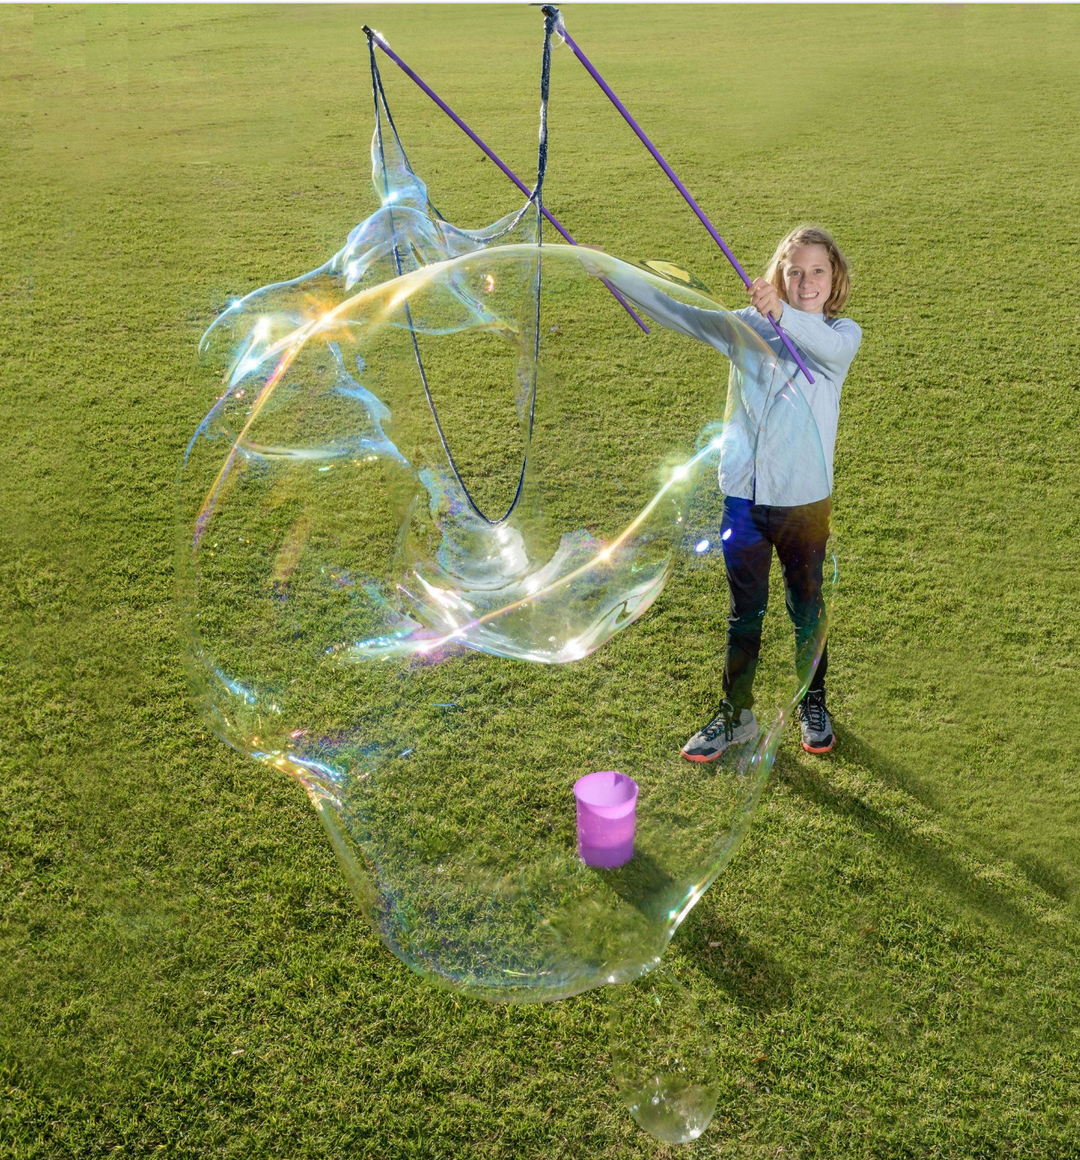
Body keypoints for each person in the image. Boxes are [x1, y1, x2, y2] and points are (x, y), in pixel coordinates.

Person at [588, 225, 861, 759]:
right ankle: (736, 714)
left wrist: (782, 315)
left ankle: (815, 702)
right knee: (745, 613)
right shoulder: (748, 328)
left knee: (807, 607)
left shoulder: (843, 336)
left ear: (834, 281)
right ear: (779, 277)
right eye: (794, 270)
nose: (805, 280)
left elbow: (821, 342)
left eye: (817, 271)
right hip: (743, 500)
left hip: (805, 503)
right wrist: (613, 271)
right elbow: (680, 312)